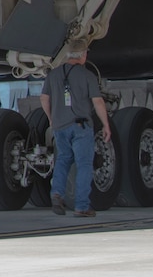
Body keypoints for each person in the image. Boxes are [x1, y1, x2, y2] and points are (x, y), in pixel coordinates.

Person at [45, 44, 112, 217]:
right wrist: (106, 124)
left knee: (63, 160)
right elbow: (97, 101)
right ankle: (82, 206)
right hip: (81, 126)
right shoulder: (87, 75)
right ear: (82, 55)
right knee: (84, 165)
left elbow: (44, 97)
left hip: (60, 127)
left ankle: (57, 193)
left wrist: (51, 118)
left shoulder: (53, 74)